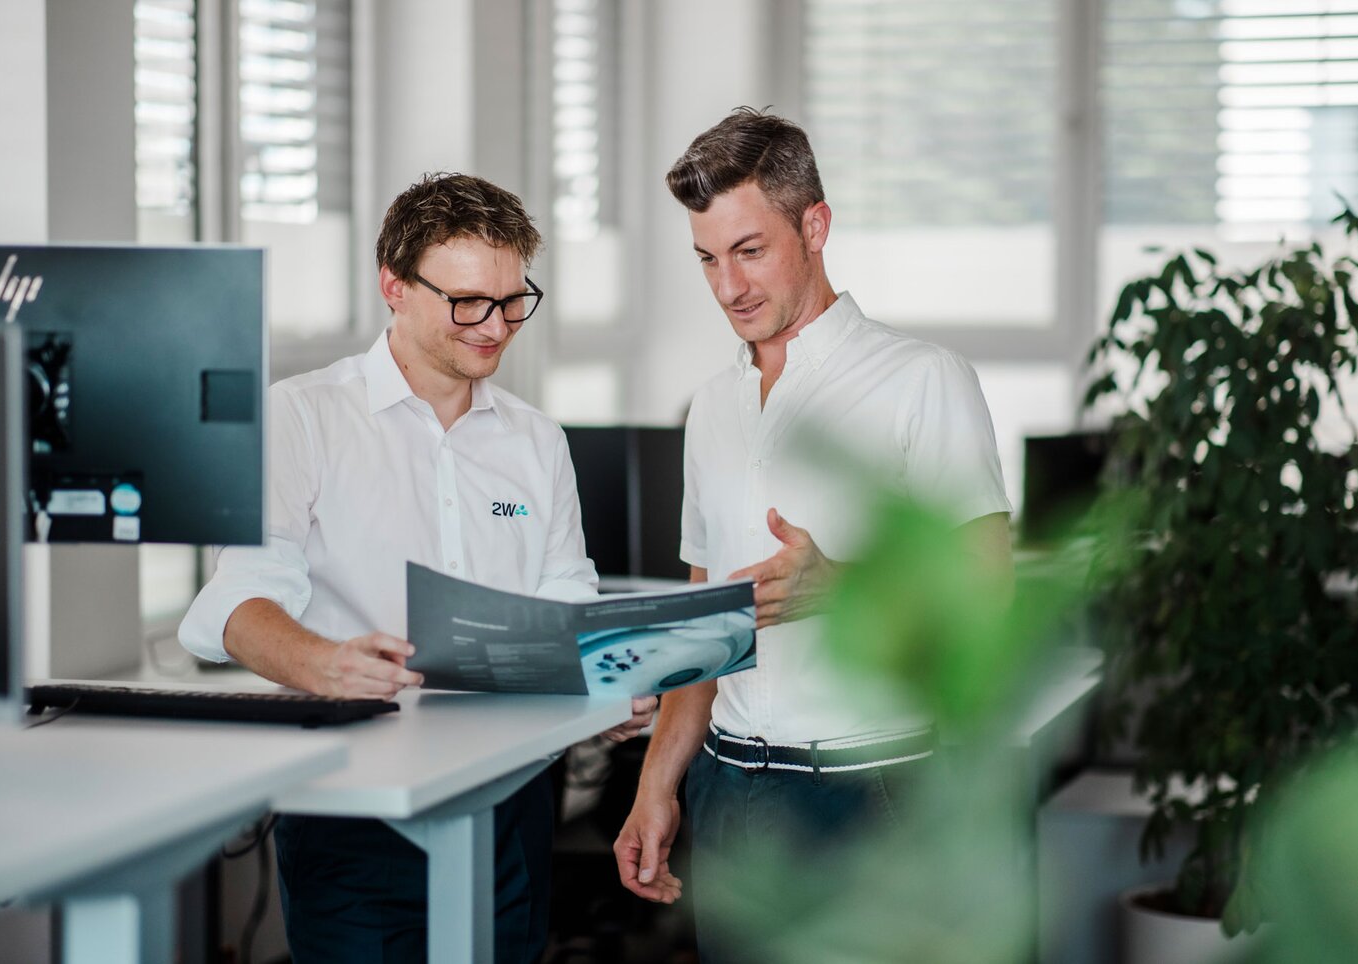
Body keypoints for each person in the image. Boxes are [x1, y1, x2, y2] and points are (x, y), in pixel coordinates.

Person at [179, 172, 655, 963]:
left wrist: (602, 680)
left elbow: (565, 596)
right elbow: (240, 598)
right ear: (393, 286)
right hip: (356, 808)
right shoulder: (304, 417)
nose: (494, 326)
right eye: (467, 302)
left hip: (510, 801)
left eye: (511, 301)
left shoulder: (537, 441)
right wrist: (322, 662)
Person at [611, 109, 1014, 960]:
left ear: (816, 226)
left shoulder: (922, 381)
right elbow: (704, 618)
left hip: (872, 790)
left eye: (750, 251)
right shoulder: (713, 407)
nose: (728, 287)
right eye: (708, 260)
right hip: (731, 793)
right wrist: (658, 784)